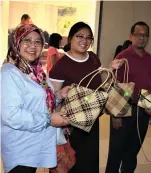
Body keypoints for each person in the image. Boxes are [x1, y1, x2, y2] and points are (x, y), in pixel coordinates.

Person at [49, 21, 121, 173]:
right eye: (79, 36)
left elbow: (99, 82)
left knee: (89, 163)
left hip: (92, 121)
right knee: (72, 164)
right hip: (71, 125)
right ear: (70, 38)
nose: (84, 40)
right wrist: (61, 124)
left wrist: (110, 69)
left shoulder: (93, 58)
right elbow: (54, 98)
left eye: (88, 37)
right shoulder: (61, 65)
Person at [1, 24, 70, 173]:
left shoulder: (37, 71)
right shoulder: (8, 73)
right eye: (27, 40)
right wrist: (48, 120)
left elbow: (39, 102)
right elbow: (11, 115)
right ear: (17, 42)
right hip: (20, 149)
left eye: (38, 41)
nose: (33, 46)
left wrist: (58, 96)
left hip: (35, 146)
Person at [106, 21, 151, 173]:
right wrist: (115, 114)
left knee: (133, 151)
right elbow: (114, 85)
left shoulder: (150, 59)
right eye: (138, 34)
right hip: (124, 111)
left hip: (142, 111)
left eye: (145, 35)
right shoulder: (122, 57)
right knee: (116, 152)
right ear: (131, 36)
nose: (142, 38)